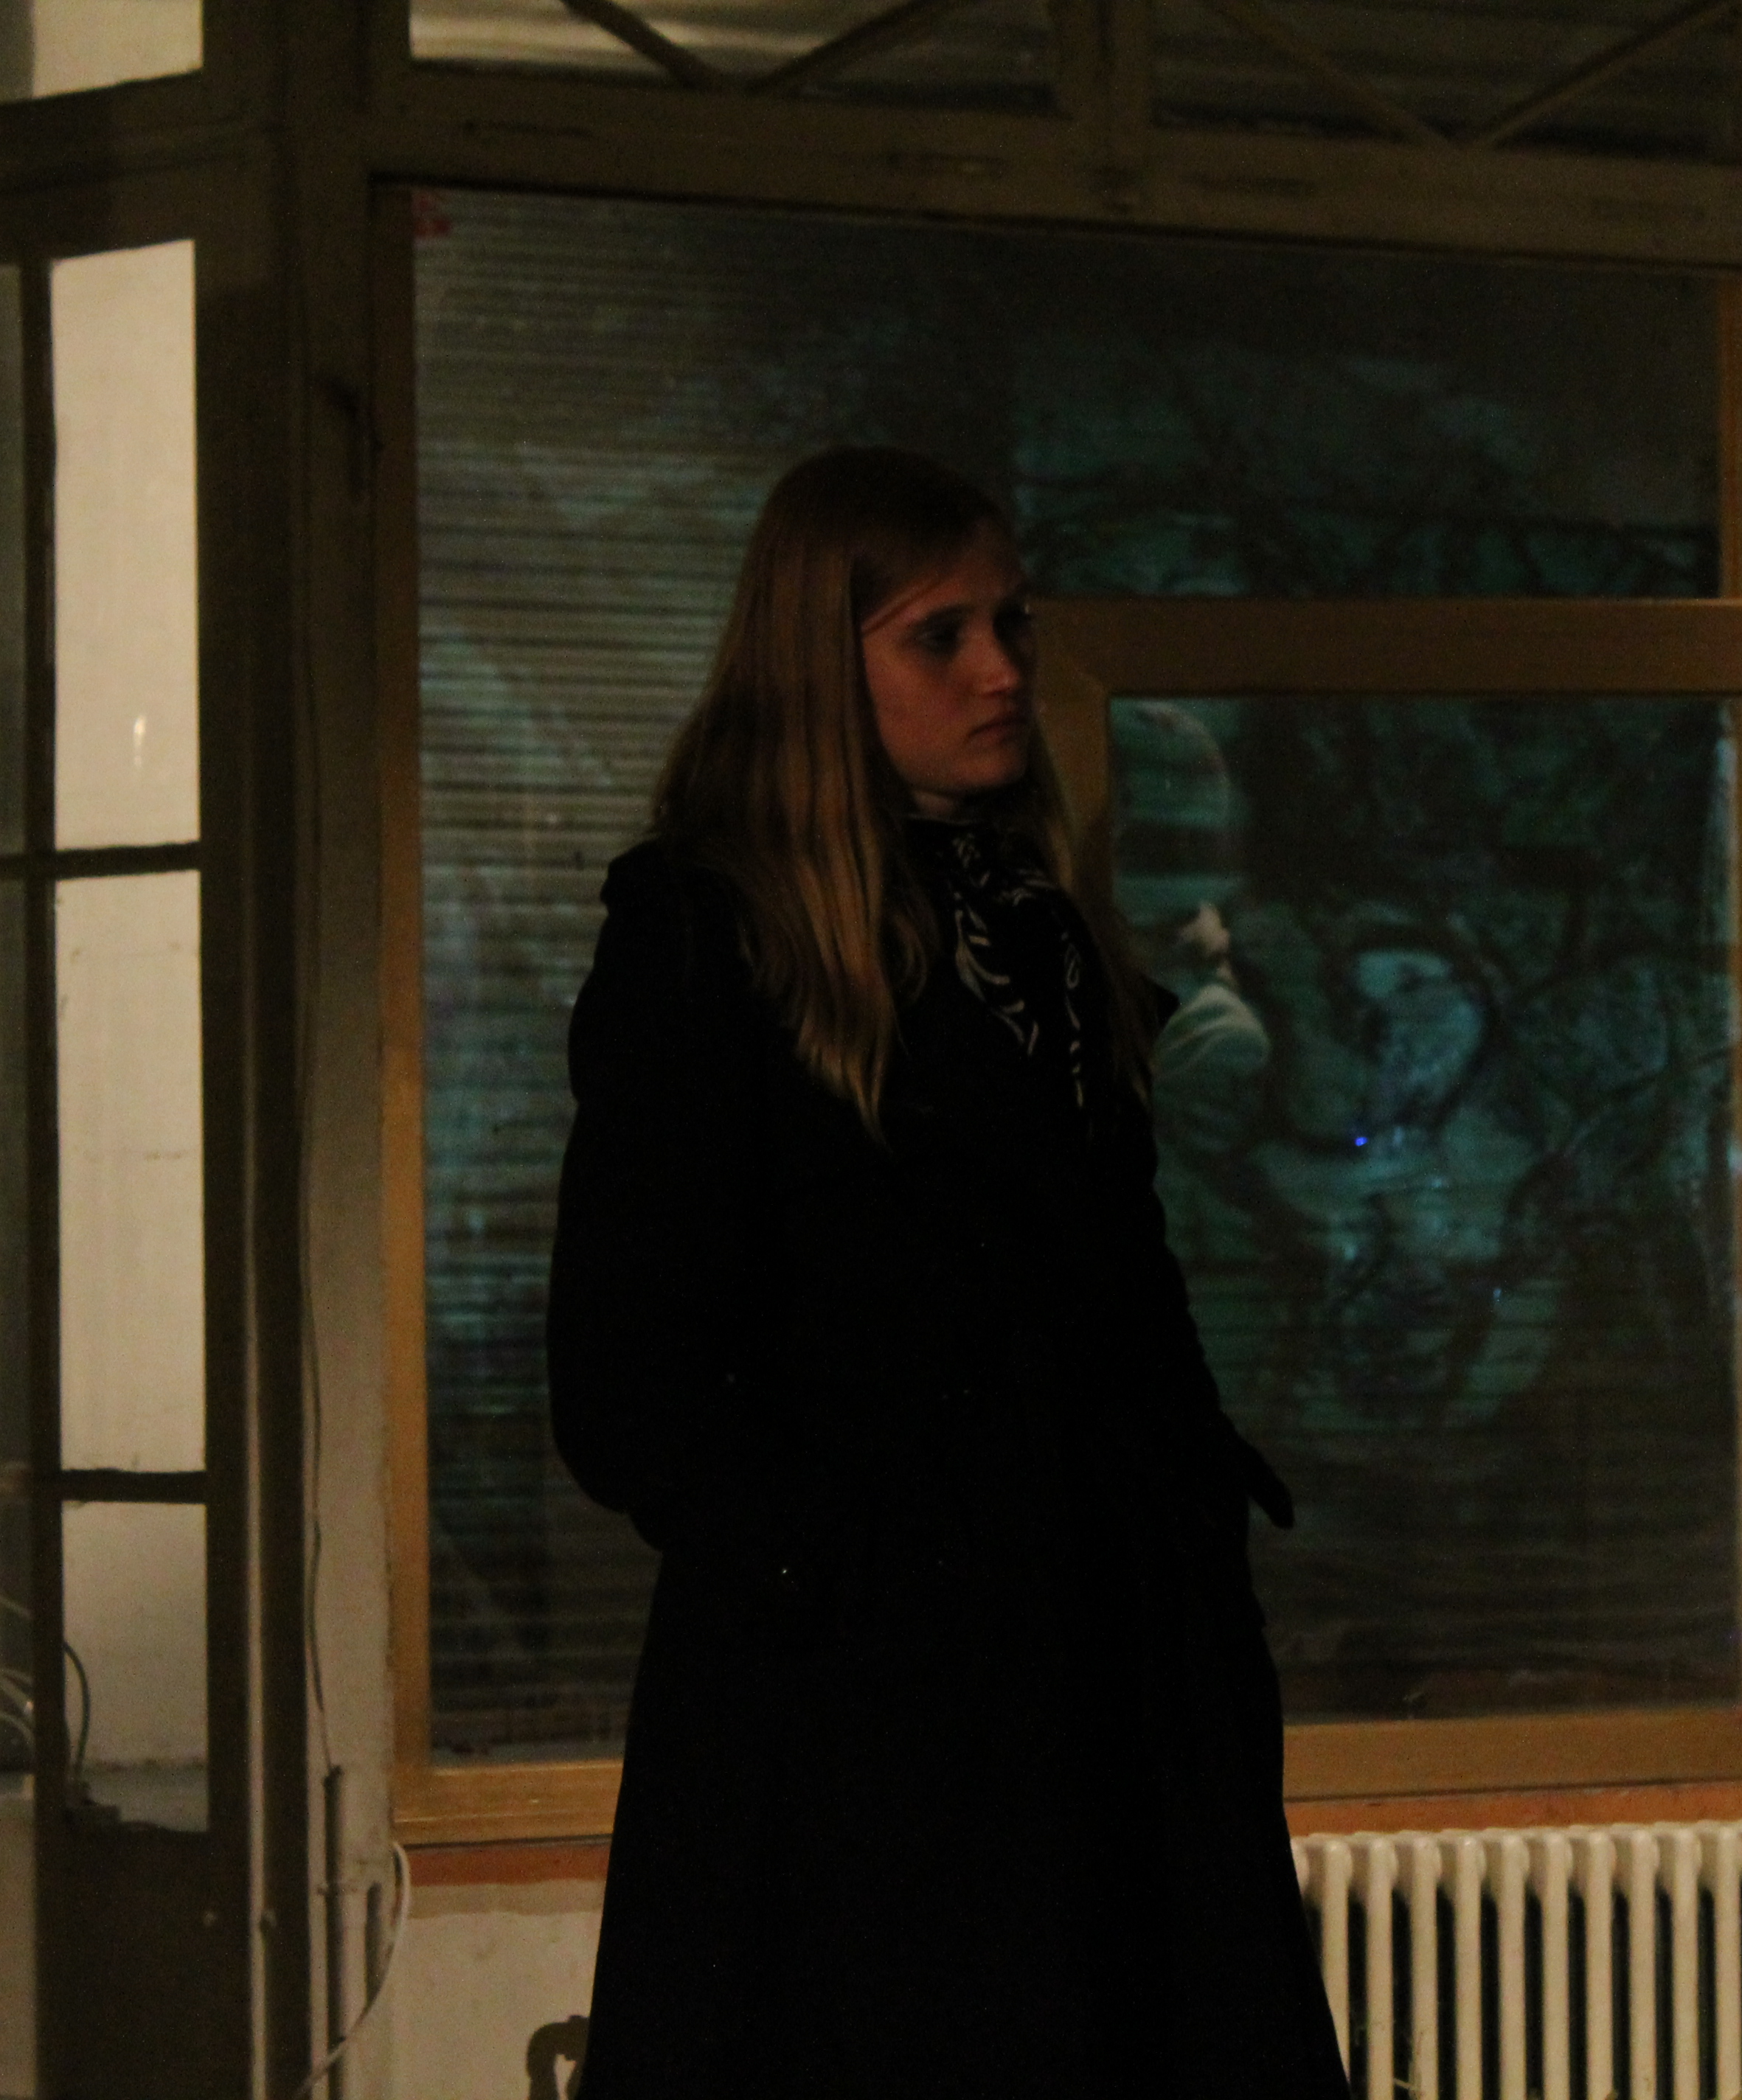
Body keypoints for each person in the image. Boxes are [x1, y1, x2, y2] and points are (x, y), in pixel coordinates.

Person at [547, 447, 1347, 2100]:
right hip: (862, 1726)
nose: (1000, 670)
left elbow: (1114, 1281)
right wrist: (842, 1576)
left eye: (1012, 623)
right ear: (819, 664)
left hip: (1102, 1684)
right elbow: (626, 1376)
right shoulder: (708, 932)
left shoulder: (1037, 920)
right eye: (939, 636)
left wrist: (1189, 1519)